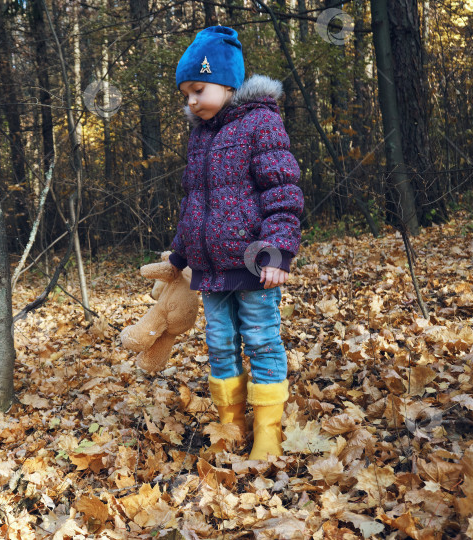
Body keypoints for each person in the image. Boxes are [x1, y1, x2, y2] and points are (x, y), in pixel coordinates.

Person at [168, 26, 304, 460]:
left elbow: (282, 191)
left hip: (254, 264)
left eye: (198, 89)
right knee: (220, 343)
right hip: (211, 270)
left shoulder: (261, 123)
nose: (190, 101)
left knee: (262, 340)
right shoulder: (200, 136)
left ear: (227, 83)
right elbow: (195, 200)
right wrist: (181, 252)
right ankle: (231, 422)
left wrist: (279, 250)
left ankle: (268, 427)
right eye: (185, 93)